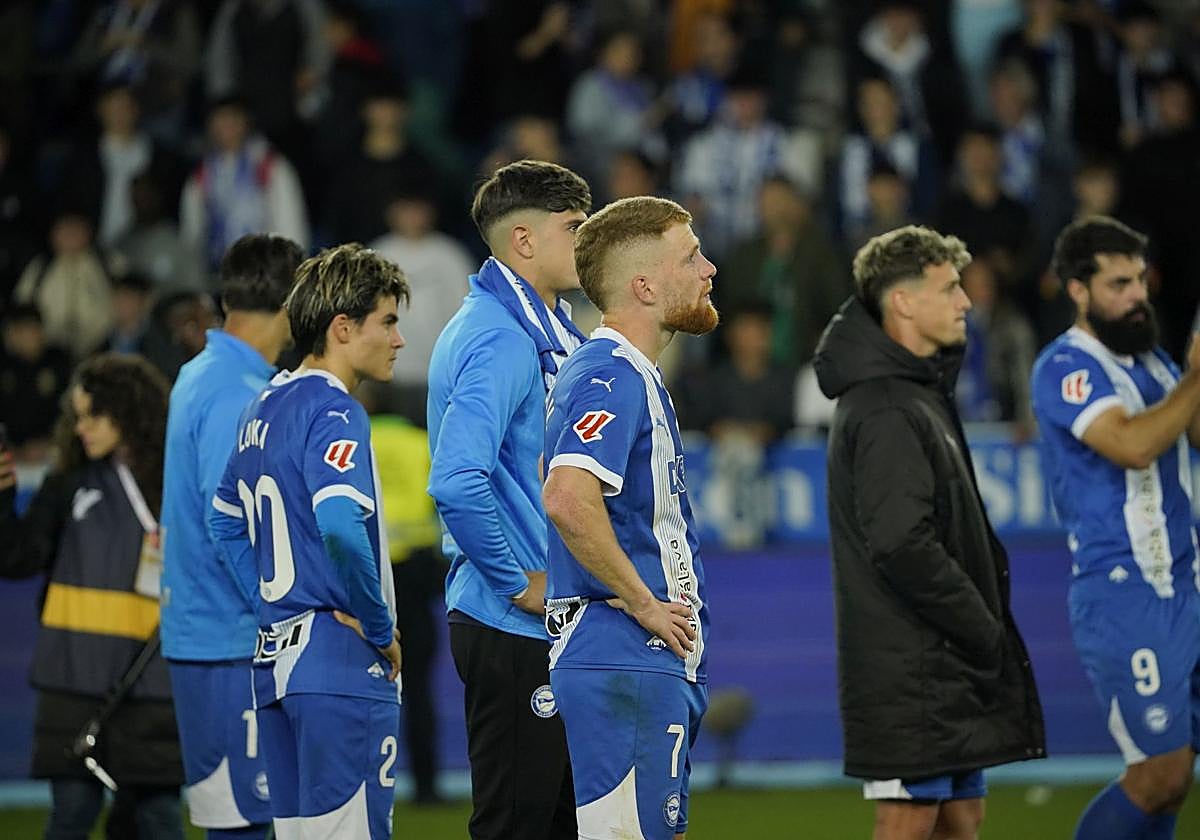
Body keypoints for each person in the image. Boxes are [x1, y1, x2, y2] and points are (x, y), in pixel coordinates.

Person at [812, 225, 1046, 840]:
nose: (966, 301)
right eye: (949, 288)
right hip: (912, 667)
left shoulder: (915, 394)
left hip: (940, 661)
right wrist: (980, 622)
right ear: (904, 303)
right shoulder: (886, 406)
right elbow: (901, 543)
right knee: (908, 820)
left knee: (960, 818)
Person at [207, 243, 407, 839]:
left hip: (274, 664)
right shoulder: (336, 411)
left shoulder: (261, 406)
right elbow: (343, 528)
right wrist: (377, 627)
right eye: (389, 321)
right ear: (343, 328)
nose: (398, 339)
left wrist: (274, 602)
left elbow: (223, 521)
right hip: (337, 666)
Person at [426, 159, 590, 840]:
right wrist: (519, 582)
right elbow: (457, 479)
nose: (588, 241)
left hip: (542, 626)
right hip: (514, 624)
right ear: (524, 241)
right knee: (515, 828)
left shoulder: (541, 326)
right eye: (574, 227)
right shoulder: (501, 335)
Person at [541, 195, 713, 839]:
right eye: (691, 256)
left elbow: (549, 475)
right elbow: (564, 495)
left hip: (633, 659)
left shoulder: (617, 371)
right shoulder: (612, 373)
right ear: (644, 284)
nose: (709, 268)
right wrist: (642, 600)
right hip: (626, 654)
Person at [1030, 216, 1200, 840]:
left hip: (1188, 585)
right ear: (1078, 289)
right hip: (1124, 591)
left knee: (1176, 774)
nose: (1137, 296)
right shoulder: (1064, 366)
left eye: (1141, 281)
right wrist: (1197, 378)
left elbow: (1191, 432)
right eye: (1119, 283)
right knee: (1158, 776)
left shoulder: (1151, 360)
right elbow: (1130, 445)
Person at [0, 353, 183, 839]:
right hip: (74, 680)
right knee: (73, 815)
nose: (81, 428)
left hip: (151, 681)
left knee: (157, 820)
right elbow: (15, 559)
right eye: (76, 417)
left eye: (93, 416)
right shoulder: (68, 485)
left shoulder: (178, 483)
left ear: (128, 412)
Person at [159, 234, 303, 839]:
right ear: (293, 301)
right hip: (232, 642)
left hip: (217, 639)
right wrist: (285, 614)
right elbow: (234, 525)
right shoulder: (234, 394)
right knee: (246, 827)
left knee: (245, 823)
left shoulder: (205, 374)